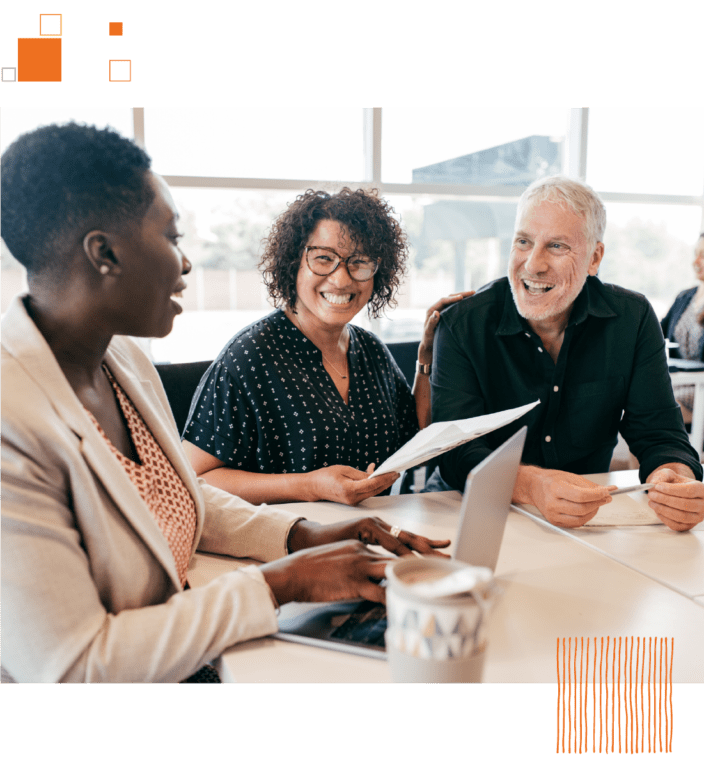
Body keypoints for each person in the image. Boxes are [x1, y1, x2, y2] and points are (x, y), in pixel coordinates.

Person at [0, 122, 450, 684]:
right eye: (172, 237)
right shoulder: (10, 420)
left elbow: (180, 498)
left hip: (196, 653)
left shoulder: (125, 364)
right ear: (104, 253)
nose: (185, 264)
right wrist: (282, 582)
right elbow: (74, 665)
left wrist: (305, 537)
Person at [431, 175, 704, 532]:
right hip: (470, 510)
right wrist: (532, 485)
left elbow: (659, 434)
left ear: (594, 258)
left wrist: (675, 477)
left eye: (556, 246)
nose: (532, 264)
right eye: (523, 242)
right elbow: (456, 452)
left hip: (586, 520)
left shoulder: (632, 319)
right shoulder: (462, 325)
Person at [182, 187, 471, 505]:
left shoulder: (370, 350)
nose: (342, 279)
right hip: (288, 542)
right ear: (293, 262)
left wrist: (427, 356)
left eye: (359, 262)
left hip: (374, 533)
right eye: (324, 258)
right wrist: (308, 486)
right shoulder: (249, 358)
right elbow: (195, 478)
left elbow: (417, 433)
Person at [660, 233, 704, 425]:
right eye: (695, 254)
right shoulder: (685, 297)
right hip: (678, 381)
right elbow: (655, 334)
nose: (696, 261)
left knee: (655, 413)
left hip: (700, 387)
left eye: (703, 255)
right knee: (637, 405)